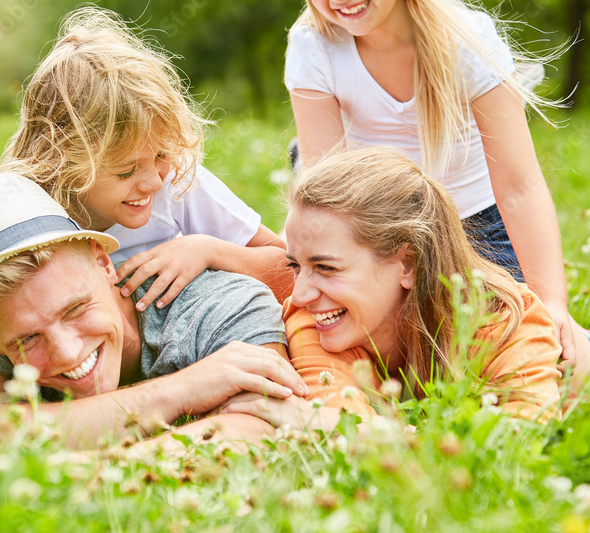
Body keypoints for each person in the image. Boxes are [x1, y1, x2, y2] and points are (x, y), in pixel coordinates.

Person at [280, 0, 589, 373]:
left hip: (473, 226)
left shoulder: (465, 42)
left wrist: (550, 302)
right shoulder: (314, 46)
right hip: (366, 225)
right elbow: (327, 193)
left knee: (509, 345)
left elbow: (518, 187)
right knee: (351, 338)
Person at [0, 6, 292, 364]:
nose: (151, 180)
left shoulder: (179, 182)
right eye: (126, 171)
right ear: (63, 161)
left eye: (161, 155)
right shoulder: (17, 214)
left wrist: (208, 250)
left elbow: (293, 269)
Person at [0, 172, 307, 448]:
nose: (68, 352)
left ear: (103, 263)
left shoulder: (220, 304)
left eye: (74, 309)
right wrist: (180, 390)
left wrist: (54, 460)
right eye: (28, 339)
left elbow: (265, 426)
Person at [221, 148, 568, 432]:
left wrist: (359, 431)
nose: (298, 295)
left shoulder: (507, 318)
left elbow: (524, 440)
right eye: (295, 266)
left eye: (326, 267)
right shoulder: (316, 319)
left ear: (408, 263)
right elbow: (335, 426)